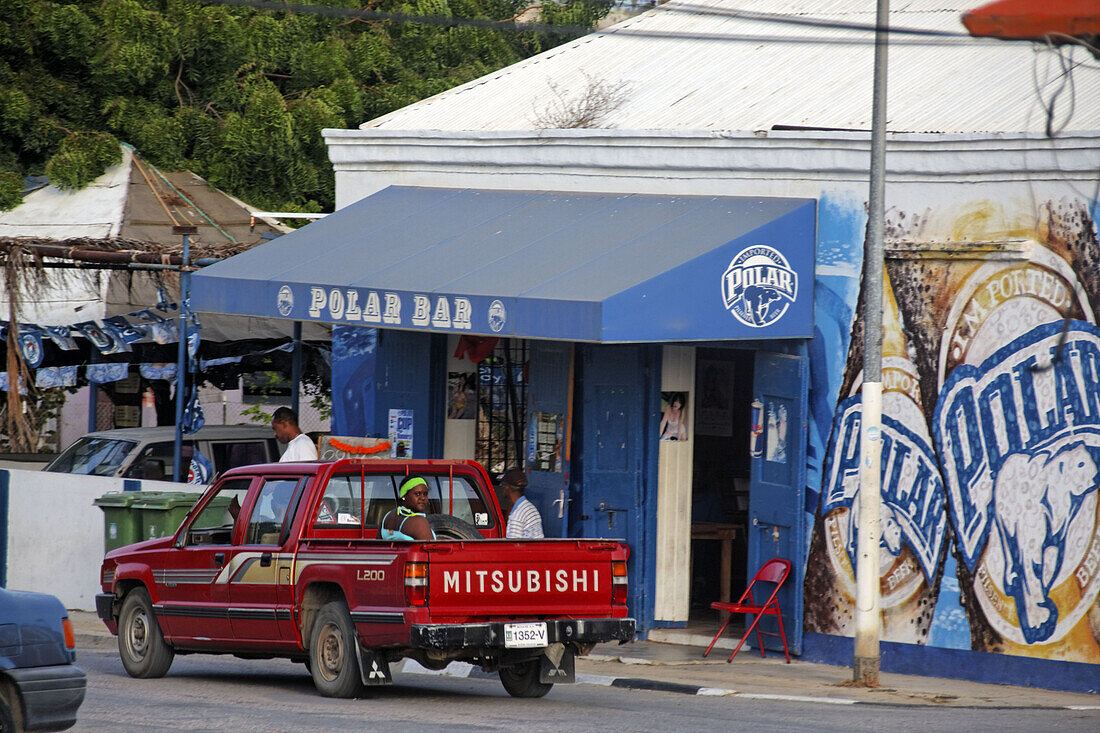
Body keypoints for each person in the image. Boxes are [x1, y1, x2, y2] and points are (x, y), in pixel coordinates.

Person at [380, 476, 436, 541]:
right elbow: (431, 549)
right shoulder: (419, 522)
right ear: (404, 495)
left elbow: (378, 546)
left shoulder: (388, 517)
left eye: (425, 494)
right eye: (417, 494)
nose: (423, 498)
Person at [501, 468, 543, 539]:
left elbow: (514, 546)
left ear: (507, 487)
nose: (502, 488)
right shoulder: (530, 508)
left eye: (502, 485)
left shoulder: (517, 515)